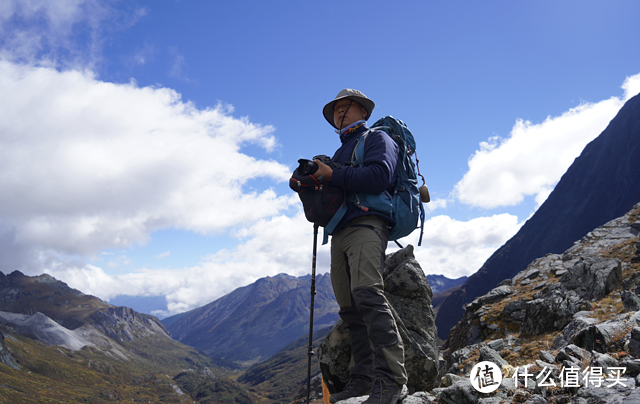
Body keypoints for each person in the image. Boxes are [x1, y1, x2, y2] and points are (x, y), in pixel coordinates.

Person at [312, 89, 407, 404]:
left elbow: (380, 177)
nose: (339, 112)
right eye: (336, 109)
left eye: (344, 106)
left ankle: (392, 382)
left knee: (367, 294)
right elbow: (338, 188)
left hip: (368, 225)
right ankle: (362, 380)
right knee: (350, 308)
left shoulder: (378, 139)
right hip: (339, 230)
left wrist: (334, 174)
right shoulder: (340, 151)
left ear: (361, 110)